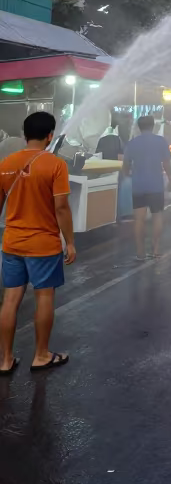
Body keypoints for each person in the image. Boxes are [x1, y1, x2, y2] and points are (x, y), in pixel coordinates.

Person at [0, 111, 75, 374]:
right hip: (43, 245)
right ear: (50, 136)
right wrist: (71, 242)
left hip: (12, 244)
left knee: (10, 300)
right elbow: (62, 208)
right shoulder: (55, 165)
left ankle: (5, 359)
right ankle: (41, 355)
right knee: (44, 297)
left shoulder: (6, 163)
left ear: (24, 135)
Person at [122, 115, 171, 261]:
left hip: (138, 185)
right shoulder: (160, 141)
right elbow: (166, 164)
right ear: (153, 126)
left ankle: (140, 252)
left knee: (139, 219)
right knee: (157, 216)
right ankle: (156, 249)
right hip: (156, 186)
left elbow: (125, 167)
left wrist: (129, 174)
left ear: (139, 127)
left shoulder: (132, 143)